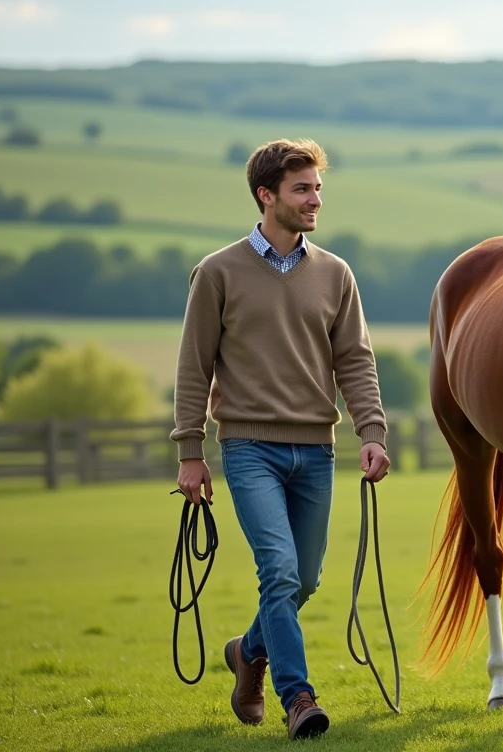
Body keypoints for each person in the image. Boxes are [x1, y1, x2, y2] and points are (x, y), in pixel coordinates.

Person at [170, 138, 391, 741]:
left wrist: (371, 431)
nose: (315, 199)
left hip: (317, 451)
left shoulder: (335, 274)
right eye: (302, 189)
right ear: (266, 196)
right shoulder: (217, 272)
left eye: (318, 187)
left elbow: (356, 361)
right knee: (280, 573)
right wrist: (191, 452)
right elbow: (194, 368)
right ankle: (299, 697)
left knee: (306, 579)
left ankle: (248, 652)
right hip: (248, 450)